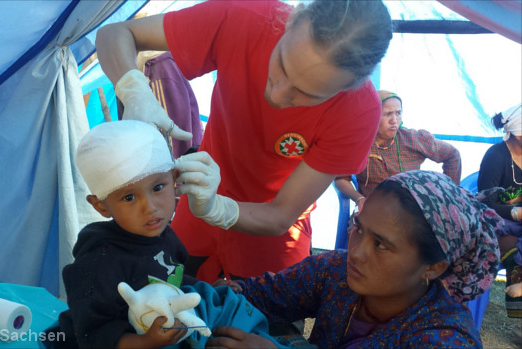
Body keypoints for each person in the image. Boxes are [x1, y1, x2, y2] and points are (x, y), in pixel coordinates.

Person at [95, 0, 393, 283]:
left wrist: (216, 208)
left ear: (347, 89)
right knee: (168, 295)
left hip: (270, 231)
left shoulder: (360, 111)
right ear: (291, 20)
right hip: (200, 197)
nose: (277, 96)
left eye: (307, 95)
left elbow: (280, 215)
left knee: (265, 327)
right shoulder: (245, 16)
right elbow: (116, 33)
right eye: (282, 64)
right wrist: (133, 90)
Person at [206, 170, 502, 348]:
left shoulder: (446, 338)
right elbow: (263, 295)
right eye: (359, 228)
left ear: (433, 268)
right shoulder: (334, 271)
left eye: (381, 245)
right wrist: (223, 295)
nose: (357, 252)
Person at [51, 120, 278, 349]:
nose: (149, 207)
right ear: (101, 206)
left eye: (158, 187)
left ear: (174, 178)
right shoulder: (98, 262)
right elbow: (91, 333)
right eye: (129, 197)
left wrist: (210, 285)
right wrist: (144, 342)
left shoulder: (165, 236)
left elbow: (174, 277)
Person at [334, 90, 462, 211]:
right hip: (374, 210)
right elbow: (341, 179)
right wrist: (359, 199)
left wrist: (448, 195)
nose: (394, 120)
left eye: (398, 113)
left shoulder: (414, 139)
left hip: (412, 210)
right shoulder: (358, 143)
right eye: (388, 114)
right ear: (371, 116)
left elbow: (452, 155)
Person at [477, 103, 522, 318]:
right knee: (515, 255)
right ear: (517, 133)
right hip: (498, 223)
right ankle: (519, 323)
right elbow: (484, 204)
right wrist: (516, 213)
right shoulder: (496, 157)